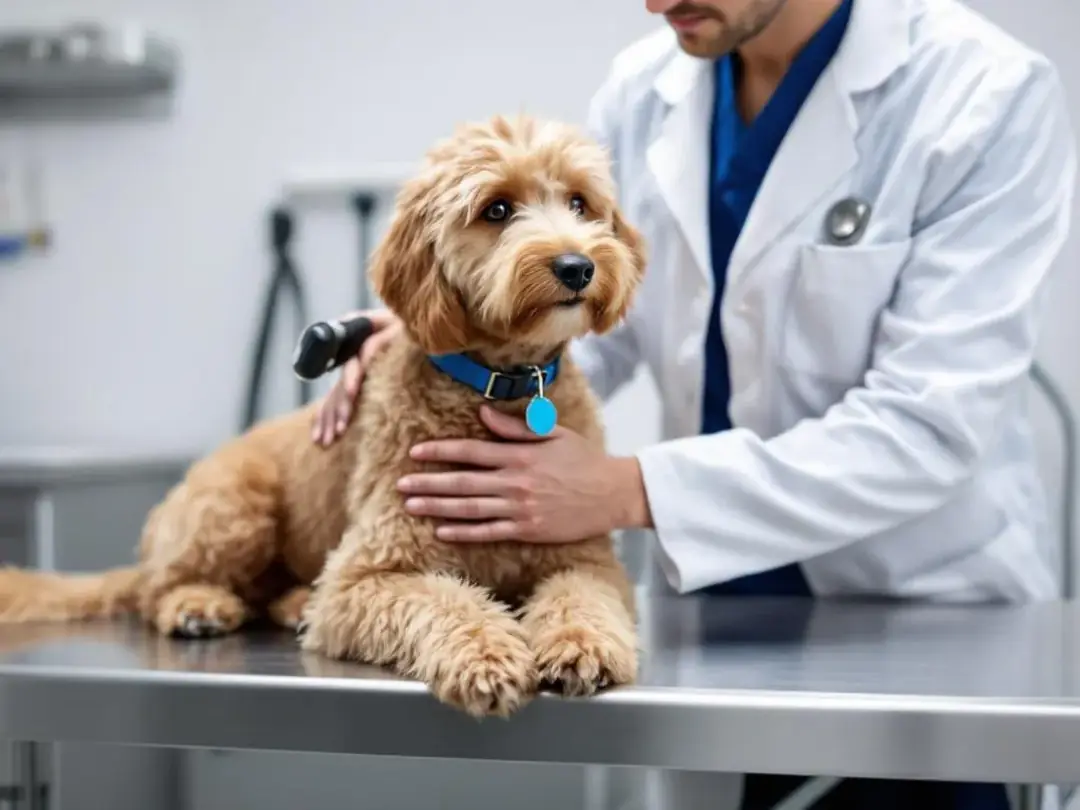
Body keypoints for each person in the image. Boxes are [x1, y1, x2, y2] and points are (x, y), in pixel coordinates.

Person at [313, 0, 1077, 807]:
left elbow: (928, 423)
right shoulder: (646, 88)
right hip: (715, 623)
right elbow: (604, 328)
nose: (653, 2)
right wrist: (462, 336)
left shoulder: (984, 93)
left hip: (919, 627)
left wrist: (626, 488)